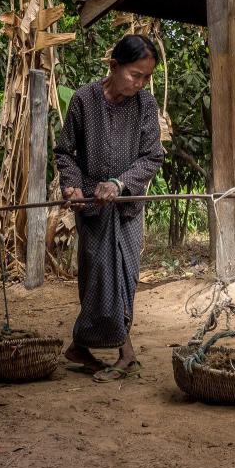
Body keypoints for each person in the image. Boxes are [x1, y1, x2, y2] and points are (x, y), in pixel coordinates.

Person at [55, 34, 164, 382]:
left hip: (127, 205)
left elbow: (152, 156)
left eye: (147, 77)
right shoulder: (84, 100)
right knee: (99, 275)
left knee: (126, 276)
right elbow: (65, 152)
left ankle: (96, 349)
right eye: (136, 74)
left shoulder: (145, 105)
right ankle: (116, 352)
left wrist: (119, 184)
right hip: (92, 207)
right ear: (114, 67)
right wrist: (71, 186)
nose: (141, 83)